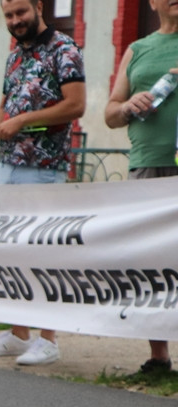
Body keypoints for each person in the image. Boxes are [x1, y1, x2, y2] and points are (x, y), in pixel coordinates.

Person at [0, 0, 85, 365]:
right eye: (8, 15)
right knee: (9, 250)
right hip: (7, 164)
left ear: (39, 6)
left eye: (21, 12)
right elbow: (5, 105)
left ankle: (48, 339)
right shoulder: (14, 56)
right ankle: (19, 333)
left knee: (41, 251)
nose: (15, 20)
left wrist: (21, 122)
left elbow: (75, 105)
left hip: (43, 166)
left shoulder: (64, 48)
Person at [105, 1, 178, 374]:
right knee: (151, 262)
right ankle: (158, 356)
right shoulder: (139, 49)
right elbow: (110, 113)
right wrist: (129, 104)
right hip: (147, 165)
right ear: (153, 2)